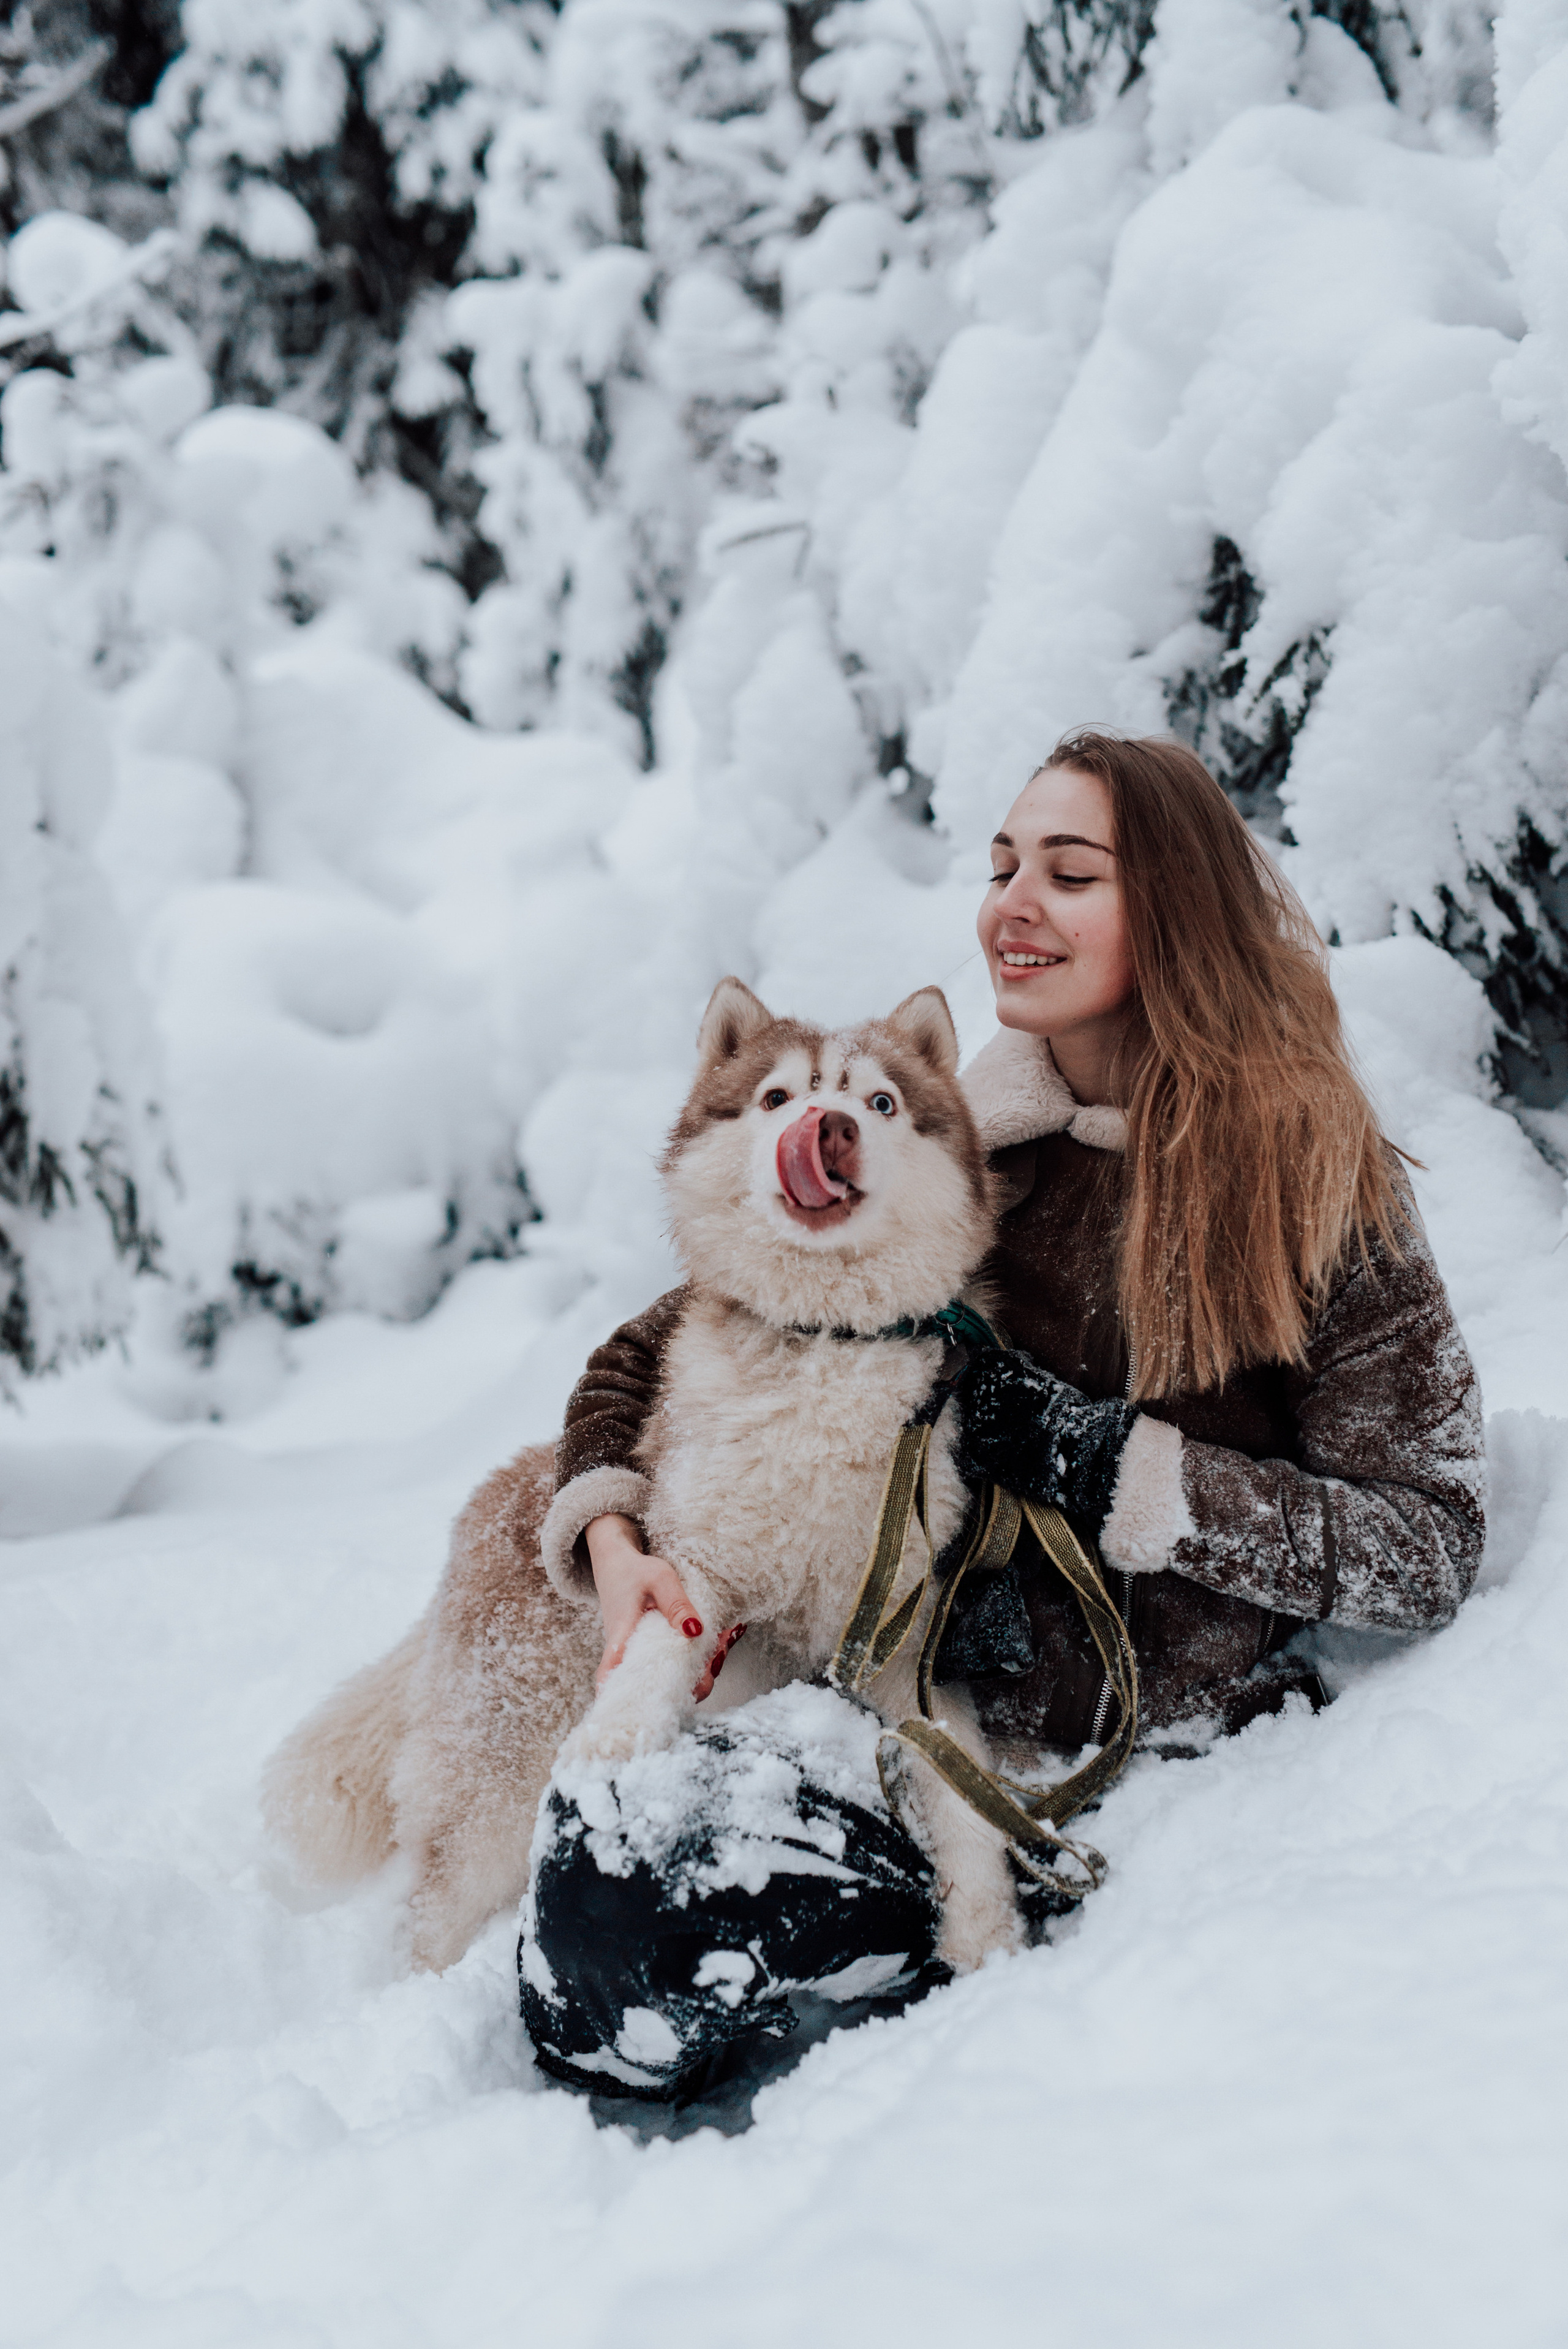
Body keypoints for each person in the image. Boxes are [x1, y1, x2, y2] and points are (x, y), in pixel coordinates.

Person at [521, 730, 1486, 2100]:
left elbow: (1426, 1547)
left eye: (1069, 873)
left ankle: (894, 1968)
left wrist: (1120, 1473)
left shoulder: (1311, 1183)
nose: (1011, 905)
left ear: (1175, 907)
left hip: (1153, 1765)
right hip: (918, 1712)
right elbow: (653, 1343)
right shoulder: (957, 1145)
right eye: (999, 867)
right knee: (599, 1894)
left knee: (634, 1935)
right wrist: (611, 1533)